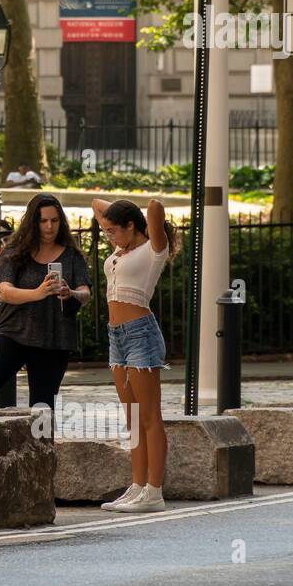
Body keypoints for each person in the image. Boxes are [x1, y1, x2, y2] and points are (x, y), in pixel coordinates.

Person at [92, 197, 178, 514]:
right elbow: (95, 203)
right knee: (133, 417)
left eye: (114, 230)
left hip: (141, 332)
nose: (110, 236)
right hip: (117, 335)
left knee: (149, 416)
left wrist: (134, 215)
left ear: (132, 226)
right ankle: (138, 485)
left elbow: (155, 206)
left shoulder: (154, 249)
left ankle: (154, 491)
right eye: (107, 232)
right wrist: (115, 217)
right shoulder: (121, 249)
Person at [0, 194, 91, 411]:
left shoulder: (72, 255)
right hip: (13, 332)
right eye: (43, 220)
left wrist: (71, 293)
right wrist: (37, 293)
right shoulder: (14, 252)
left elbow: (85, 293)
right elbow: (5, 291)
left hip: (54, 338)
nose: (49, 226)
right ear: (32, 222)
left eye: (54, 220)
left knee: (42, 407)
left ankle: (43, 445)